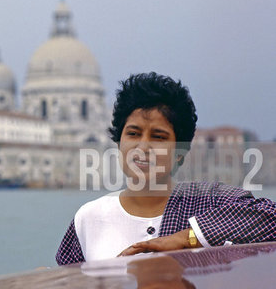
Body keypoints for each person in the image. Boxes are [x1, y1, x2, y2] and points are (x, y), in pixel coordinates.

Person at [56, 72, 276, 265]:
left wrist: (185, 239)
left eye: (158, 137)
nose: (143, 147)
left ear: (180, 152)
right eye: (133, 134)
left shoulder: (210, 201)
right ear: (118, 143)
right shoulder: (88, 218)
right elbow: (67, 278)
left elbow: (270, 216)